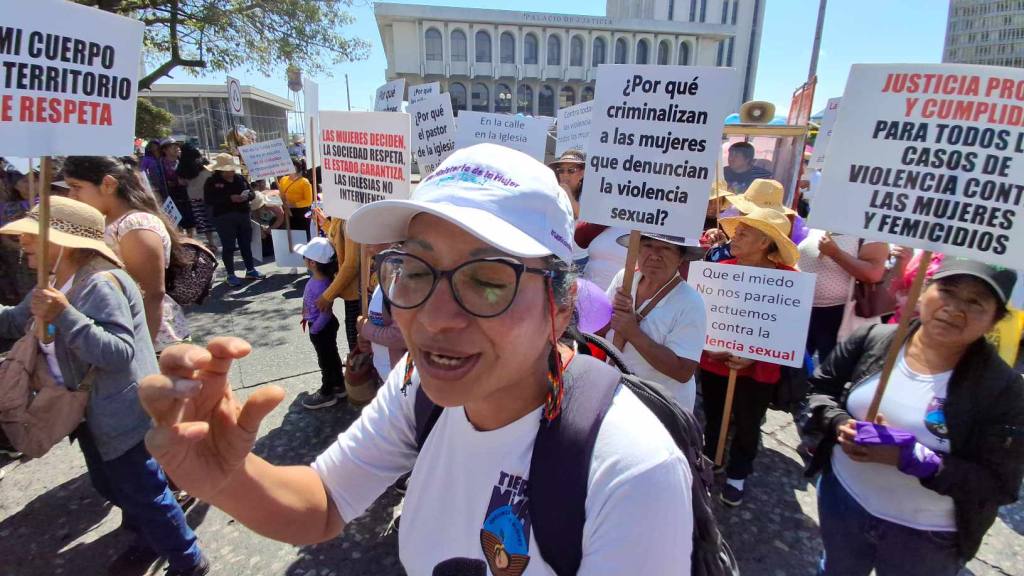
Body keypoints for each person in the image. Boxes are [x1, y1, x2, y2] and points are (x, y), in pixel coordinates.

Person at [138, 144, 693, 573]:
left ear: (560, 304)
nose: (434, 318)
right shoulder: (416, 382)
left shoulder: (631, 471)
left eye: (488, 281)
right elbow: (325, 502)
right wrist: (228, 477)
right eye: (417, 271)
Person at [0, 197, 209, 576]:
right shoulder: (49, 283)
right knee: (111, 484)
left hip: (121, 410)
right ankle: (147, 536)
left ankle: (187, 559)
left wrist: (64, 314)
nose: (24, 245)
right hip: (86, 412)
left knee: (142, 492)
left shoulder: (100, 283)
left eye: (34, 236)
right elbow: (14, 322)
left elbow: (117, 353)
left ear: (62, 242)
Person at [803, 258, 1023, 576]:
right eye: (946, 290)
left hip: (926, 537)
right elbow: (819, 390)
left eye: (975, 301)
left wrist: (914, 458)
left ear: (994, 320)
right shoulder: (873, 339)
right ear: (922, 293)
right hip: (843, 502)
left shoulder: (1003, 389)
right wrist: (840, 424)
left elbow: (999, 485)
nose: (954, 308)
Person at [700, 207, 800, 507]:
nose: (735, 236)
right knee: (715, 416)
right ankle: (711, 460)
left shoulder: (789, 281)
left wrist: (755, 356)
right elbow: (704, 319)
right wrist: (711, 349)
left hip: (760, 371)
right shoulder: (720, 271)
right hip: (716, 363)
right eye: (737, 230)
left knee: (748, 422)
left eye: (745, 233)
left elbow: (787, 331)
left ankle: (738, 473)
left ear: (765, 243)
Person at [63, 156, 192, 353]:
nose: (71, 195)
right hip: (119, 334)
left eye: (76, 186)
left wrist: (140, 351)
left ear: (107, 184)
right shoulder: (104, 221)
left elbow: (152, 294)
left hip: (151, 342)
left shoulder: (136, 224)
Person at [605, 233, 707, 412]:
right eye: (648, 245)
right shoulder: (625, 279)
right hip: (616, 396)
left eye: (666, 248)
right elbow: (599, 329)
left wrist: (633, 332)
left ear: (680, 258)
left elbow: (683, 371)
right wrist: (607, 311)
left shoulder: (690, 302)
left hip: (660, 408)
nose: (655, 254)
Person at [798, 230, 889, 361]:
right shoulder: (819, 225)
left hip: (838, 316)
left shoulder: (870, 233)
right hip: (802, 310)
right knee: (794, 369)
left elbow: (874, 273)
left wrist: (835, 253)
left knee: (828, 371)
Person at [296, 237, 347, 409]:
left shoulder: (322, 285)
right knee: (331, 355)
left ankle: (327, 391)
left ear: (312, 263)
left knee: (325, 359)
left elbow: (325, 313)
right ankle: (339, 384)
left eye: (305, 257)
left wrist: (315, 330)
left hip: (321, 327)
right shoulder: (320, 281)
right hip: (320, 325)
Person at [204, 153, 265, 287]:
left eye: (232, 169)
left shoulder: (239, 179)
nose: (231, 172)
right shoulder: (211, 182)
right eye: (227, 169)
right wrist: (229, 198)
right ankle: (230, 274)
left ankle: (250, 270)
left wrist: (246, 196)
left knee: (245, 244)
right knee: (229, 246)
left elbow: (252, 193)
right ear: (219, 170)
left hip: (243, 214)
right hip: (223, 217)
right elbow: (209, 200)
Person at [315, 211, 361, 356]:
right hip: (351, 292)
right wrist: (325, 224)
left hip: (359, 293)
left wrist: (328, 296)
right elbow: (339, 240)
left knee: (357, 346)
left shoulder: (351, 216)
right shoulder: (340, 213)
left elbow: (352, 264)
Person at [278, 158, 313, 241]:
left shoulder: (305, 182)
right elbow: (281, 195)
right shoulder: (283, 179)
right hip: (287, 212)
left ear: (296, 167)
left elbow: (308, 201)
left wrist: (293, 205)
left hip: (301, 213)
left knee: (302, 236)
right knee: (292, 236)